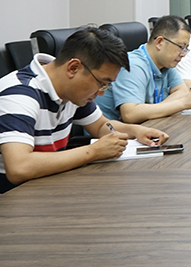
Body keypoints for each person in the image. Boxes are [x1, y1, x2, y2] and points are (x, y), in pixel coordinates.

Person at [0, 27, 169, 193]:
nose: (101, 92)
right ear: (73, 67)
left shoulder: (70, 91)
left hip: (50, 185)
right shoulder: (19, 94)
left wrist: (136, 131)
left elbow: (100, 126)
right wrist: (92, 152)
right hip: (14, 197)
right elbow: (19, 168)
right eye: (101, 83)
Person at [97, 16, 191, 123]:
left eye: (186, 49)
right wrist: (182, 103)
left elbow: (183, 91)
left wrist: (149, 110)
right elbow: (130, 114)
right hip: (112, 133)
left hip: (146, 127)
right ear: (159, 42)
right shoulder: (133, 65)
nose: (183, 54)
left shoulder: (166, 63)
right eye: (181, 47)